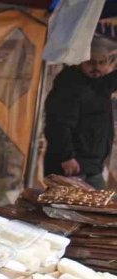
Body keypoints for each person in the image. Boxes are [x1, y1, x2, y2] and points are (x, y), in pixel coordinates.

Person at [44, 36, 117, 189]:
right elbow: (58, 124)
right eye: (91, 62)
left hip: (92, 168)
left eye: (101, 62)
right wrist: (66, 157)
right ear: (79, 62)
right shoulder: (69, 86)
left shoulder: (97, 85)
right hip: (71, 168)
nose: (96, 67)